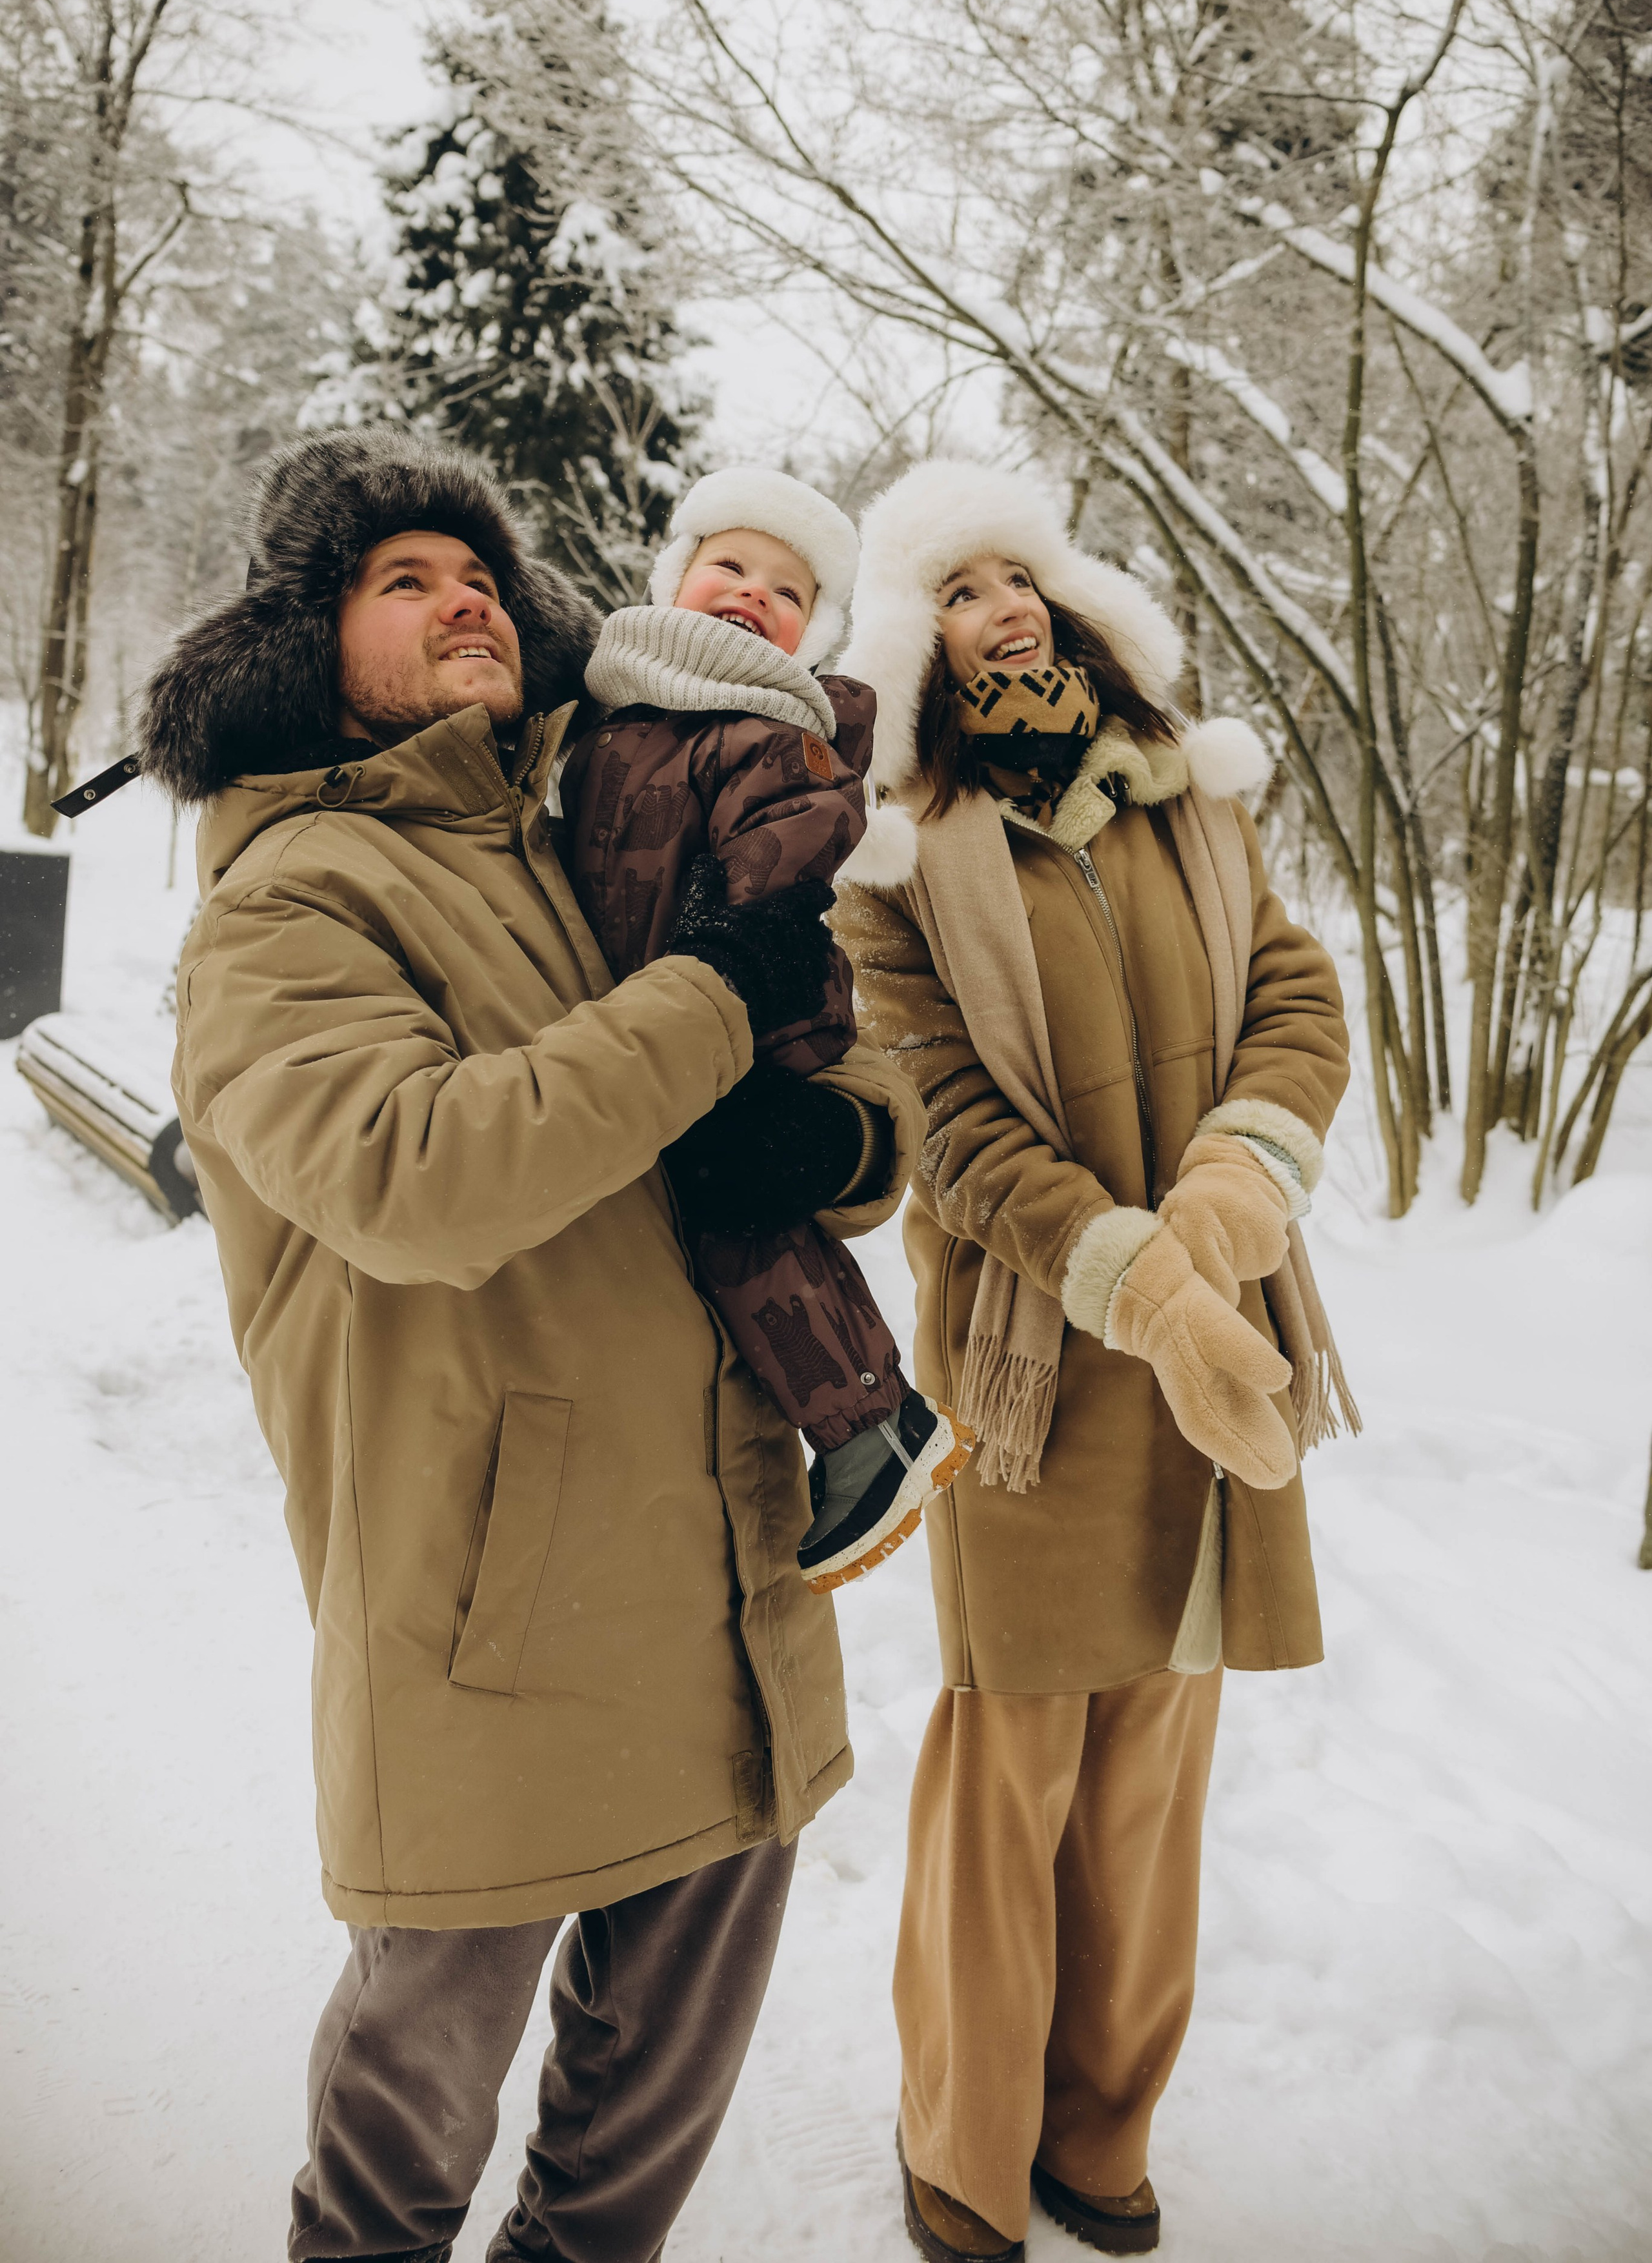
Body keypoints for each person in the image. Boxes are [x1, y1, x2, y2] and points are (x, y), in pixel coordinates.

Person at [137, 425, 920, 2263]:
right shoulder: (292, 901)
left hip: (730, 1595)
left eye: (479, 572)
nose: (465, 593)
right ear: (305, 644)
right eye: (404, 579)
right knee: (397, 2169)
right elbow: (422, 1176)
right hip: (491, 1625)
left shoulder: (592, 822)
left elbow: (826, 1047)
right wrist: (709, 1002)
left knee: (616, 2188)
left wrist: (841, 1136)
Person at [831, 458, 1354, 2262]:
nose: (1009, 605)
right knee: (1015, 1770)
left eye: (1023, 573)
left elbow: (1298, 997)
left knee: (1156, 1763)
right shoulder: (897, 855)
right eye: (963, 586)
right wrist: (1132, 1274)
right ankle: (967, 2147)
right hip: (1034, 1362)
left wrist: (1216, 1222)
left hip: (1225, 1331)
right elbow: (947, 1117)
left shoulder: (1188, 799)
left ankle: (1102, 2120)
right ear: (916, 640)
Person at [563, 464, 963, 1592]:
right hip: (643, 1017)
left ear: (811, 633)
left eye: (786, 591)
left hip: (753, 1007)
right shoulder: (595, 707)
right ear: (674, 575)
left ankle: (869, 1425)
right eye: (728, 565)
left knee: (743, 1221)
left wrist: (720, 933)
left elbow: (788, 846)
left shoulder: (785, 727)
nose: (751, 594)